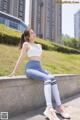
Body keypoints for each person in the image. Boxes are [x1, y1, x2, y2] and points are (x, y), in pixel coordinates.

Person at [9, 28, 71, 120]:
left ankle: (59, 107)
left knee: (52, 77)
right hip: (30, 68)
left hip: (39, 68)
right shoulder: (26, 44)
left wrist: (43, 70)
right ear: (27, 36)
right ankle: (49, 109)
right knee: (47, 79)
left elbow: (39, 60)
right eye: (32, 33)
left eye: (34, 32)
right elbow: (21, 58)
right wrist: (14, 71)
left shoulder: (39, 45)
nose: (34, 34)